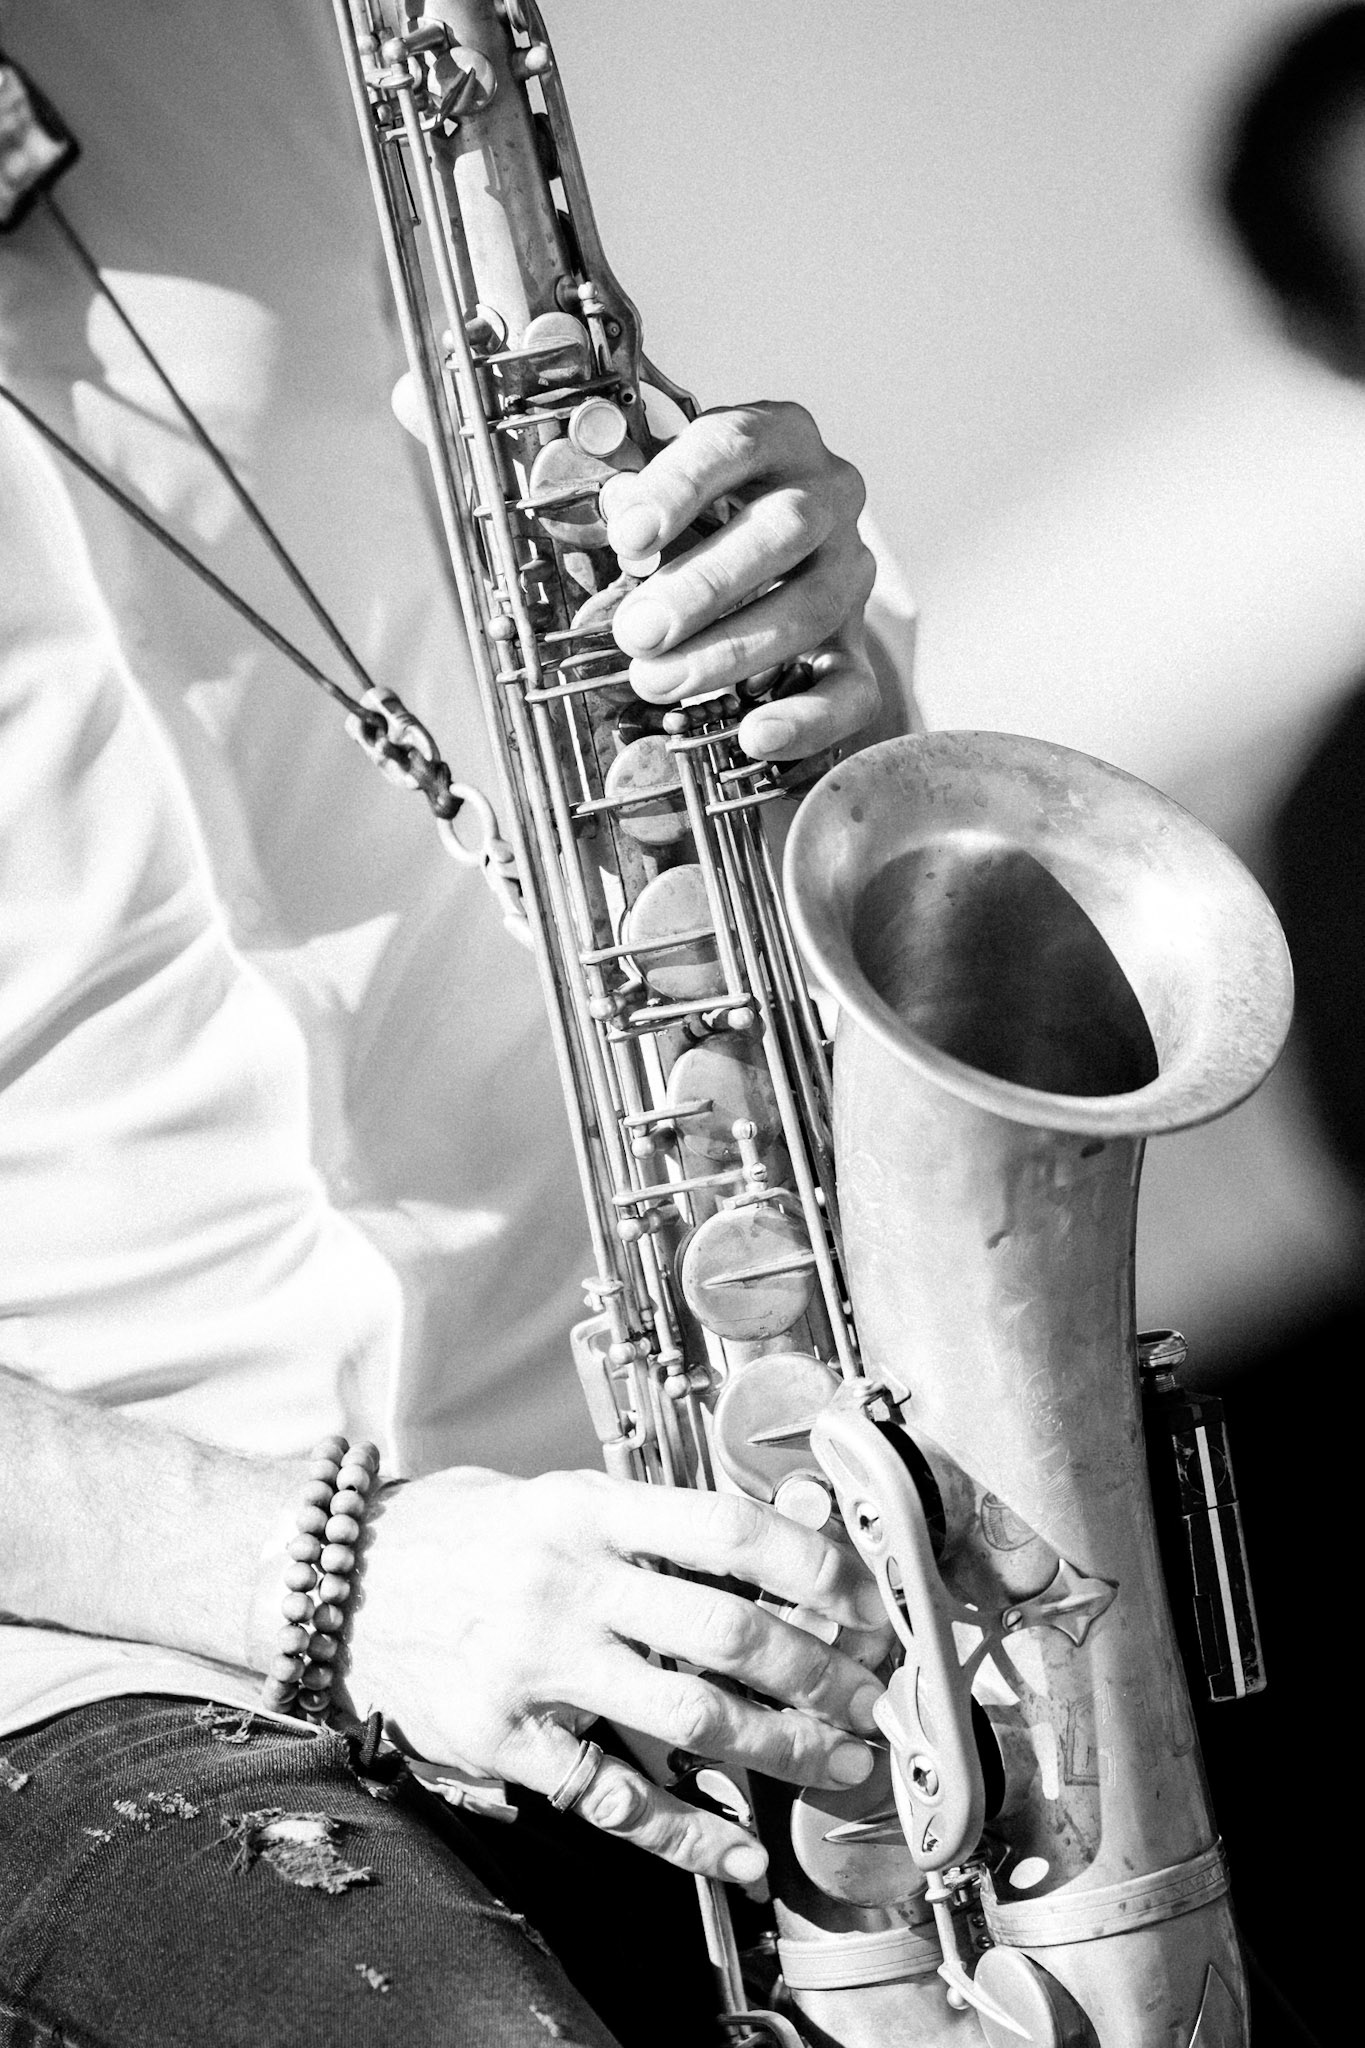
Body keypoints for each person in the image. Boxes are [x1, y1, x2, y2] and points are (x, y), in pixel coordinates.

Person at [0, 8, 915, 2045]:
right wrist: (344, 1580)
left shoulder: (330, 44)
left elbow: (633, 641)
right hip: (77, 1659)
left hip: (688, 1482)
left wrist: (802, 663)